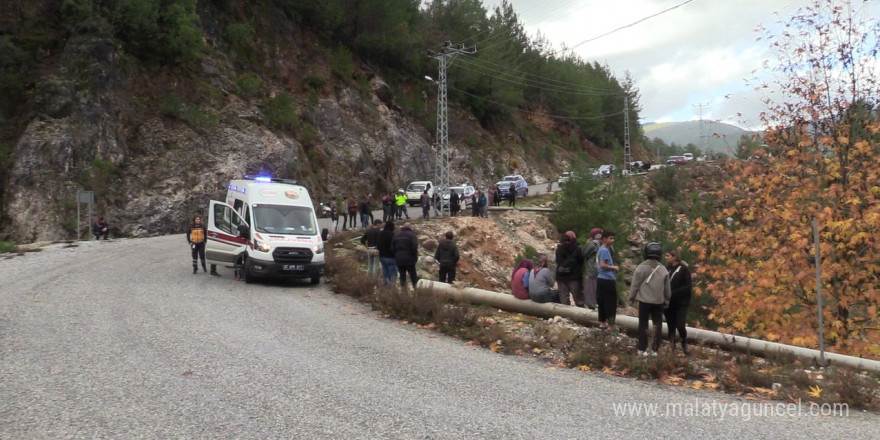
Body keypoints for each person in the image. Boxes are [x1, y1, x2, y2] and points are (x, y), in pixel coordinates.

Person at [628, 242, 671, 356]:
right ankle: (655, 350)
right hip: (658, 302)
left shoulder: (640, 267)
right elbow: (667, 289)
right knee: (658, 325)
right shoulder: (663, 269)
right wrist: (667, 301)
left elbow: (635, 285)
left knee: (643, 325)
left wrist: (631, 299)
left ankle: (641, 349)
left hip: (644, 301)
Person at [665, 248, 693, 354]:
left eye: (668, 256)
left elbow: (687, 287)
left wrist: (672, 293)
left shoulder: (683, 270)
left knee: (680, 325)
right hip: (669, 303)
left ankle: (684, 342)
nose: (666, 258)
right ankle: (672, 347)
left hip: (681, 303)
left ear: (674, 257)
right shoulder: (666, 269)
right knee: (670, 326)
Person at [596, 230, 619, 329]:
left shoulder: (600, 249)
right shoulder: (605, 250)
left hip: (600, 278)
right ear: (604, 239)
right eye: (610, 238)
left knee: (602, 301)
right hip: (608, 279)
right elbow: (602, 264)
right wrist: (614, 267)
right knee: (611, 302)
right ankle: (611, 325)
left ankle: (602, 322)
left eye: (613, 238)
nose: (612, 240)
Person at [555, 230, 584, 306]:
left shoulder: (559, 248)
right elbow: (582, 261)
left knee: (564, 299)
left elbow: (557, 261)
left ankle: (565, 315)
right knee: (578, 298)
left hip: (561, 276)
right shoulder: (577, 249)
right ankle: (581, 314)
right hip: (574, 277)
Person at [392, 222, 419, 289]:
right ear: (410, 227)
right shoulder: (412, 235)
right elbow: (414, 246)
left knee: (402, 275)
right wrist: (414, 256)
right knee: (413, 275)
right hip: (409, 258)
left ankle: (403, 291)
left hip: (399, 258)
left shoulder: (396, 235)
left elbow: (392, 247)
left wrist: (396, 255)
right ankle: (415, 289)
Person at [581, 228, 602, 310]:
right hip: (599, 269)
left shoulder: (593, 244)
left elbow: (584, 254)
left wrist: (587, 244)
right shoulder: (603, 243)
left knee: (590, 288)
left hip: (591, 269)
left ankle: (591, 307)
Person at [377, 220, 397, 286]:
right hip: (390, 257)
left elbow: (378, 245)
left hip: (382, 256)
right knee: (392, 274)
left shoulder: (380, 233)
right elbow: (394, 246)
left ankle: (384, 288)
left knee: (384, 273)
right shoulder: (392, 235)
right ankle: (391, 290)